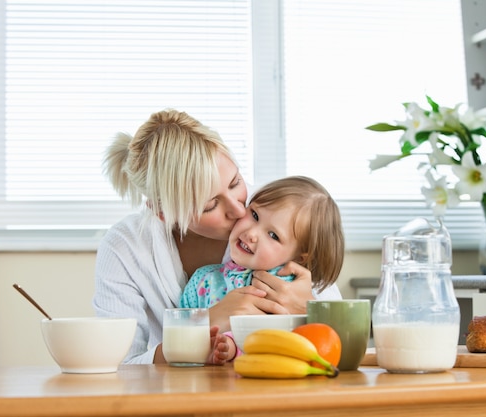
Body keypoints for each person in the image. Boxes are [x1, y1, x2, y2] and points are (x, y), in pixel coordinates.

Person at [93, 109, 342, 365]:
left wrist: (309, 309)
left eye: (235, 182)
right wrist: (206, 322)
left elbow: (338, 340)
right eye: (211, 205)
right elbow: (118, 367)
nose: (238, 209)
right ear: (163, 212)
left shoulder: (275, 212)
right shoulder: (124, 247)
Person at [180, 176, 344, 309]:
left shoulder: (293, 292)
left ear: (300, 258)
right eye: (255, 215)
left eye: (273, 235)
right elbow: (179, 335)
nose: (251, 234)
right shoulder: (202, 281)